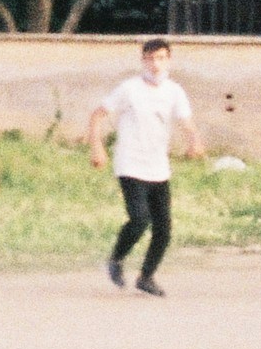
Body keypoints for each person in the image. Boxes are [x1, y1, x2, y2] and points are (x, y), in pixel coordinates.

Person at [86, 36, 204, 295]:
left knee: (164, 229)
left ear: (168, 60)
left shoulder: (174, 91)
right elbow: (98, 115)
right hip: (130, 163)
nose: (155, 64)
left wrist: (194, 141)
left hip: (158, 166)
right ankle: (116, 259)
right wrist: (97, 147)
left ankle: (146, 277)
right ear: (143, 60)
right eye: (150, 58)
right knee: (140, 219)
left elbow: (186, 121)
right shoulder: (129, 88)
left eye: (161, 58)